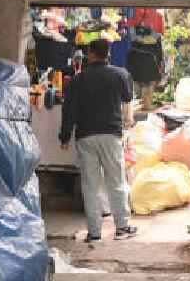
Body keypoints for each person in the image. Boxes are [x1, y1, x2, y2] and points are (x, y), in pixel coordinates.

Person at [59, 39, 138, 242]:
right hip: (111, 135)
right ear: (108, 53)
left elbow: (69, 110)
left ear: (91, 54)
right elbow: (128, 96)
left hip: (86, 136)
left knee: (90, 185)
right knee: (116, 181)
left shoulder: (78, 80)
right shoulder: (120, 74)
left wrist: (65, 136)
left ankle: (94, 233)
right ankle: (122, 227)